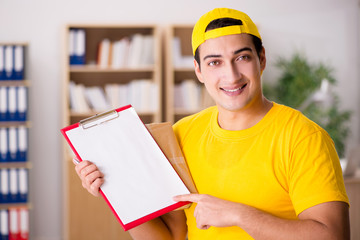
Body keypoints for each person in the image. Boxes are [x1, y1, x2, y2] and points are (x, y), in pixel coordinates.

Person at [74, 8, 350, 240]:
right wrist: (116, 192)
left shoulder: (303, 137)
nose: (231, 76)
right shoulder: (181, 134)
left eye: (242, 57)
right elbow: (173, 235)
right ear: (199, 71)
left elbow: (333, 235)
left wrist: (238, 214)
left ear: (261, 59)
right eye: (215, 62)